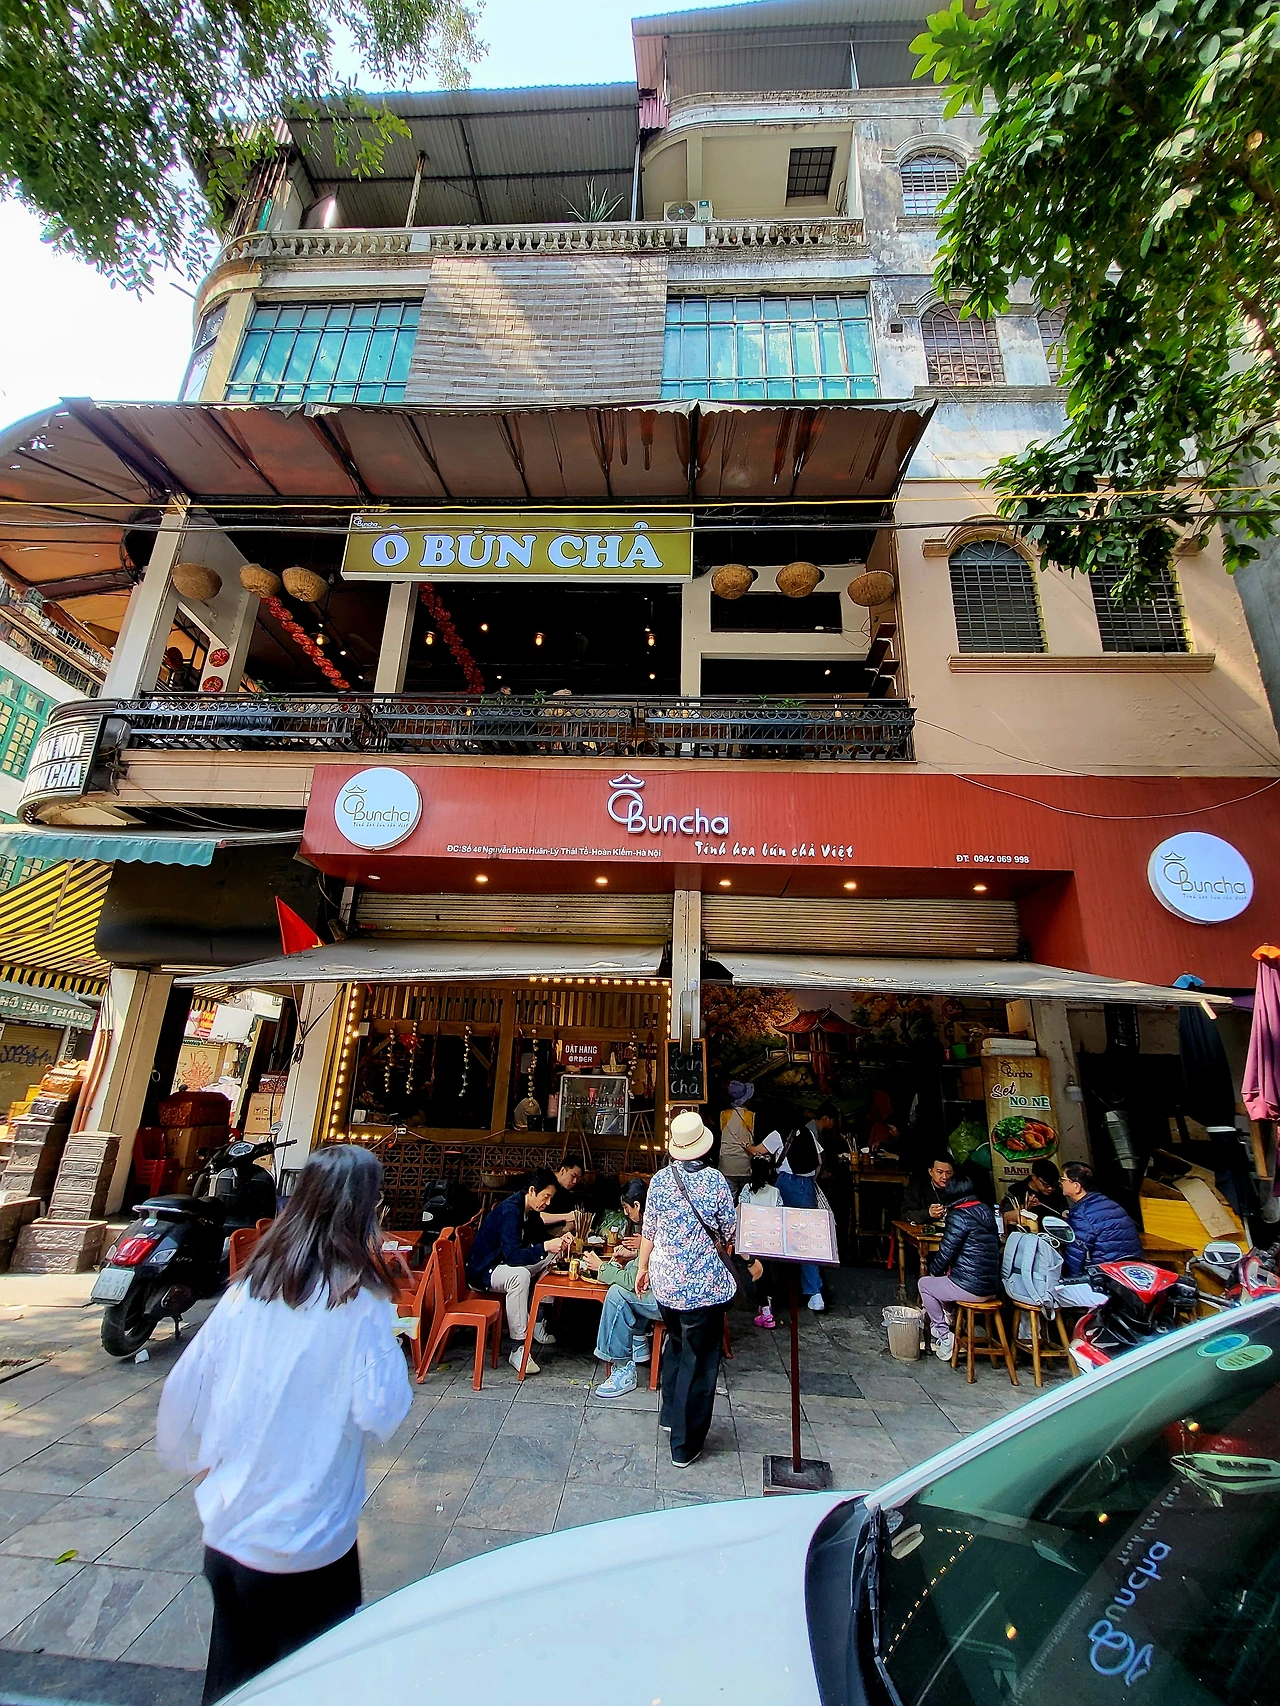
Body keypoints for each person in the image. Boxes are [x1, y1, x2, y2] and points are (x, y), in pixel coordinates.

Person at [155, 1145, 412, 1704]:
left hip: (228, 1531)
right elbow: (382, 1411)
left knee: (232, 1681)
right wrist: (389, 1318)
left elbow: (187, 1389)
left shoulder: (249, 1290)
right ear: (364, 1212)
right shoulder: (359, 1307)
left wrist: (206, 1463)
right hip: (305, 1542)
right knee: (312, 1686)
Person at [636, 1110, 737, 1468]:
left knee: (677, 1346)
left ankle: (669, 1416)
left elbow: (649, 1230)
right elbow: (729, 1231)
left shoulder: (660, 1181)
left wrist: (642, 1267)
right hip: (704, 1289)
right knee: (700, 1360)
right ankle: (684, 1443)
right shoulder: (715, 1181)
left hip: (666, 1286)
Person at [467, 1168, 571, 1373]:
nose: (548, 1202)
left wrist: (559, 1241)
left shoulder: (530, 1211)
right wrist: (546, 1246)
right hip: (485, 1271)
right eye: (546, 1196)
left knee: (553, 1256)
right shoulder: (510, 1211)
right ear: (532, 1191)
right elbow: (513, 1256)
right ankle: (518, 1347)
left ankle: (538, 1319)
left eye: (550, 1197)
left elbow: (541, 1240)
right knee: (520, 1276)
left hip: (504, 1265)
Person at [752, 1103, 838, 1311]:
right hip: (806, 1187)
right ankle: (815, 1295)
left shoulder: (778, 1133)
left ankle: (771, 1294)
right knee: (805, 1239)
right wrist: (810, 1180)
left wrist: (747, 1146)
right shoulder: (808, 1133)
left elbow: (759, 1151)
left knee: (774, 1237)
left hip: (785, 1184)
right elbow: (819, 1161)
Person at [585, 1179, 662, 1396]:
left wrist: (601, 1268)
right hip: (675, 1293)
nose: (626, 1214)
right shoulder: (662, 1219)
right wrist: (635, 1255)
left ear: (637, 1205)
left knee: (617, 1293)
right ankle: (638, 1339)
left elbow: (632, 1281)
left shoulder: (652, 1225)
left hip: (666, 1300)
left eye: (627, 1208)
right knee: (627, 1269)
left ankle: (622, 1368)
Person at [917, 1175, 1002, 1360]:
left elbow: (946, 1253)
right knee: (943, 1284)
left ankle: (944, 1336)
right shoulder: (985, 1211)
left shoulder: (959, 1216)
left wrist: (933, 1272)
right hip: (991, 1288)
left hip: (971, 1288)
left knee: (925, 1285)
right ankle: (949, 1320)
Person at [1060, 1162, 1143, 1276]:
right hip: (1133, 1271)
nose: (1060, 1183)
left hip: (1107, 1275)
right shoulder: (1110, 1203)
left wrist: (1072, 1280)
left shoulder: (1081, 1214)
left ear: (1076, 1186)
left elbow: (1077, 1255)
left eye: (1063, 1179)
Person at [737, 1156, 782, 1329]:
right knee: (768, 1272)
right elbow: (780, 1213)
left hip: (752, 1239)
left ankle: (766, 1312)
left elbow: (741, 1211)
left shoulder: (747, 1190)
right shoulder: (775, 1192)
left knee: (758, 1273)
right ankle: (767, 1303)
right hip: (769, 1239)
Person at [1000, 1159, 1067, 1230]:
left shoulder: (1057, 1191)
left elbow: (1064, 1210)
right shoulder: (1017, 1191)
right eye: (1046, 1185)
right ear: (1033, 1176)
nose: (1050, 1188)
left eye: (1053, 1185)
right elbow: (1005, 1217)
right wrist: (1024, 1208)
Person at [717, 1080, 756, 1188]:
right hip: (744, 1164)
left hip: (726, 1164)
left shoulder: (723, 1115)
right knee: (746, 1194)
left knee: (729, 1195)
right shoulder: (751, 1116)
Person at [900, 1155, 955, 1225]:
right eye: (939, 1172)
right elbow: (905, 1215)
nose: (944, 1177)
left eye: (948, 1173)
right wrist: (928, 1213)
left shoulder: (959, 1189)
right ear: (930, 1172)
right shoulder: (917, 1188)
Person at [536, 1160, 584, 1230]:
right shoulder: (544, 1182)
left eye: (578, 1178)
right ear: (562, 1170)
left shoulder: (565, 1193)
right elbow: (536, 1216)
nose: (575, 1181)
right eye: (573, 1176)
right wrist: (566, 1216)